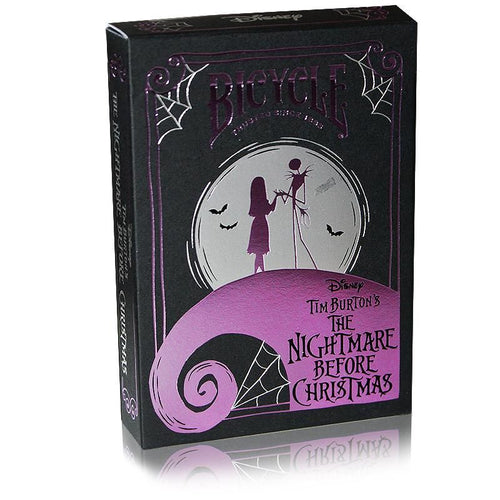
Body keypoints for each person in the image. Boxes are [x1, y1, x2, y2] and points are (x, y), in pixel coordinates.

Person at [247, 176, 278, 273]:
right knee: (259, 250)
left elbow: (270, 209)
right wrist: (276, 197)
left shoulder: (256, 201)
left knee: (258, 250)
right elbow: (271, 209)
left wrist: (276, 197)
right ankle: (260, 270)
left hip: (257, 223)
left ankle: (258, 270)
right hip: (262, 223)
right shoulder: (262, 201)